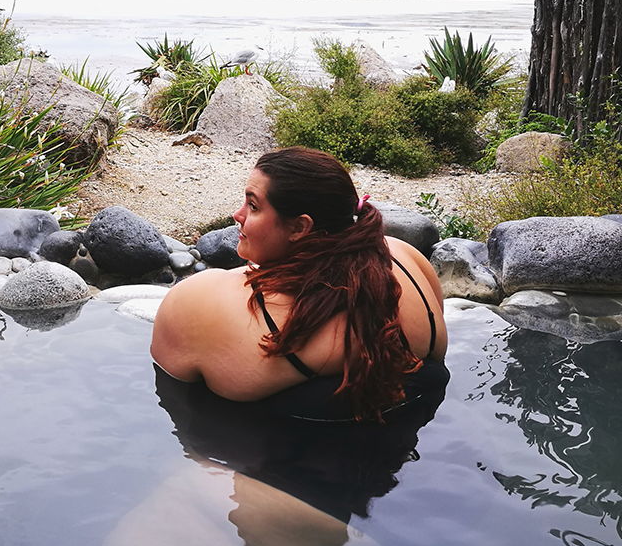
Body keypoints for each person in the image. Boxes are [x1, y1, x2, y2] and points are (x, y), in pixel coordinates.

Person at [151, 146, 448, 421]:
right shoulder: (405, 260)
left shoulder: (201, 300)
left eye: (253, 206)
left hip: (268, 472)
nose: (237, 215)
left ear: (300, 227)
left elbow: (175, 406)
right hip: (406, 455)